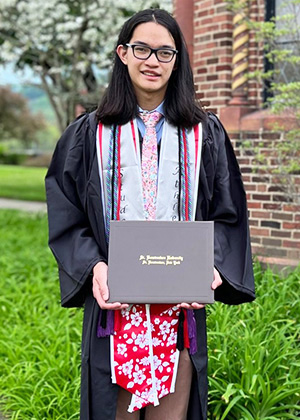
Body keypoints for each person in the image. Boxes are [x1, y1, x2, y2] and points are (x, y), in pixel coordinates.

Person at [45, 8, 255, 420]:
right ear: (123, 53)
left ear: (178, 61)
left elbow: (228, 213)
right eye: (142, 49)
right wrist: (94, 267)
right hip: (116, 307)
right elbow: (66, 213)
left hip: (177, 312)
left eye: (165, 52)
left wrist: (212, 266)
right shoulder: (90, 133)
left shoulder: (204, 133)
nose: (152, 61)